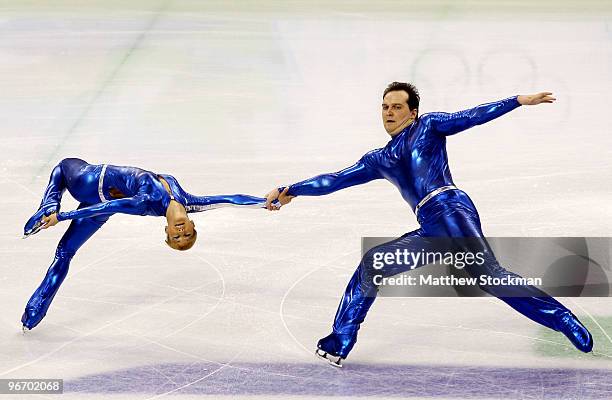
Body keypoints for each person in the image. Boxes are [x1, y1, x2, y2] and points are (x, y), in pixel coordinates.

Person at [265, 82, 593, 367]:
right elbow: (333, 180)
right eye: (384, 107)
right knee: (373, 264)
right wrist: (291, 190)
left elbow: (472, 115)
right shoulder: (378, 158)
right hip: (430, 228)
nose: (389, 112)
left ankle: (562, 318)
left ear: (413, 112)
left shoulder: (429, 127)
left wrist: (517, 100)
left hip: (450, 208)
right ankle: (340, 340)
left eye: (397, 106)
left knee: (488, 276)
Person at [22, 157, 277, 330]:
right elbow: (229, 199)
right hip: (101, 200)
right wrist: (262, 203)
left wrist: (61, 216)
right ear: (192, 226)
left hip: (90, 184)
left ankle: (34, 310)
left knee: (64, 169)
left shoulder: (145, 204)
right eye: (186, 235)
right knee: (65, 251)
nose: (180, 233)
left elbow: (110, 206)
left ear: (166, 231)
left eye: (175, 238)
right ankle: (48, 206)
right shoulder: (190, 203)